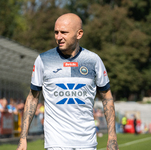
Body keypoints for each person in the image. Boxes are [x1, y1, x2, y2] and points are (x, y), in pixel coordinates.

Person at [17, 13, 119, 150]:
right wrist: (23, 138)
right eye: (56, 32)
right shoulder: (43, 60)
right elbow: (33, 97)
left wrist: (112, 137)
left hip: (87, 142)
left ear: (79, 34)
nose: (59, 37)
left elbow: (107, 97)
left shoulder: (93, 60)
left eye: (64, 32)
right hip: (55, 143)